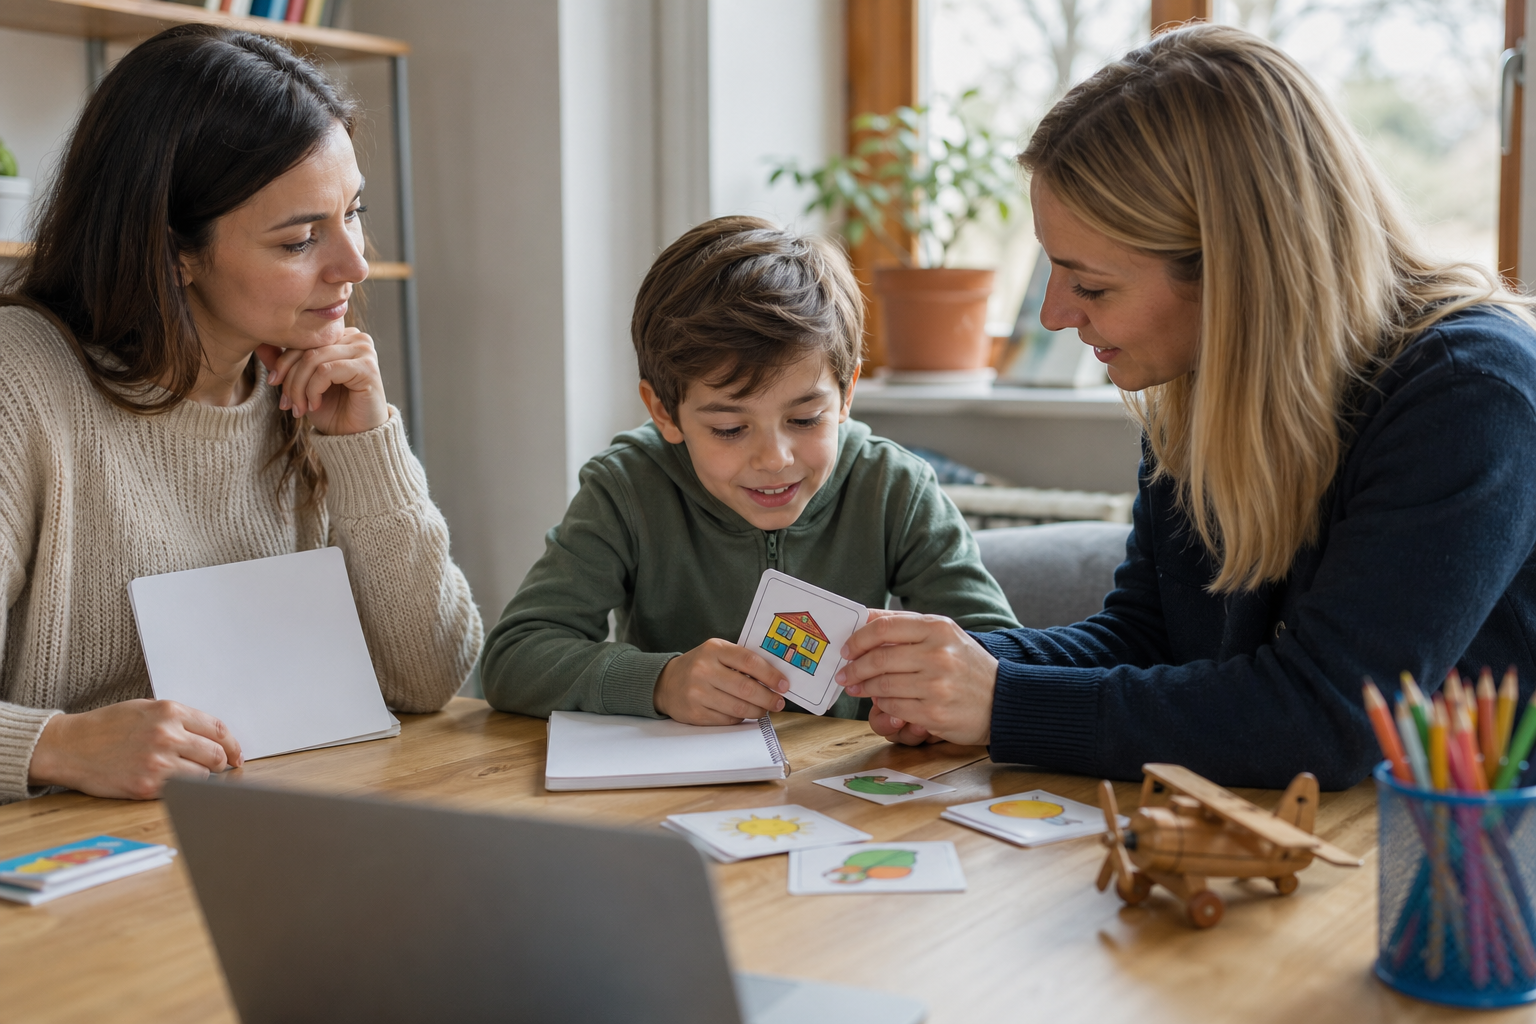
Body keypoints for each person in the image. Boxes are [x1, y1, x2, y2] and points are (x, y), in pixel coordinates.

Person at [833, 24, 1536, 790]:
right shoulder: (1201, 383)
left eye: (1091, 284)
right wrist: (949, 670)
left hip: (1466, 867)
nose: (1052, 316)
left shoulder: (1472, 394)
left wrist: (1002, 701)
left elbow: (1328, 717)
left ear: (1234, 274)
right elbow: (1150, 636)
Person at [0, 25, 482, 803]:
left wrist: (366, 448)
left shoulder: (312, 387)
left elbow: (426, 677)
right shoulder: (19, 379)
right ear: (174, 253)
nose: (354, 265)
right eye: (300, 240)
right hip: (66, 864)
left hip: (270, 828)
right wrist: (57, 744)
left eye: (352, 212)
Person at [479, 216, 1018, 724]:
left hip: (846, 795)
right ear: (665, 411)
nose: (774, 459)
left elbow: (999, 655)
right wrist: (660, 681)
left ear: (847, 393)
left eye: (805, 419)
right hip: (674, 796)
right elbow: (514, 657)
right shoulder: (626, 489)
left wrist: (935, 701)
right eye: (730, 429)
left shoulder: (893, 487)